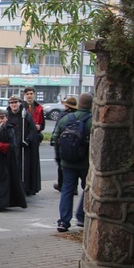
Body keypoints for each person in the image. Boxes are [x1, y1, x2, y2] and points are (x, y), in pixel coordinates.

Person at [52, 92, 93, 232]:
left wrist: (59, 159)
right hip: (85, 163)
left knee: (67, 191)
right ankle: (81, 217)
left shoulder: (66, 119)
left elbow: (55, 139)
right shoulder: (93, 121)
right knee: (87, 189)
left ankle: (63, 221)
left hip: (67, 162)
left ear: (79, 104)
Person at [6, 95, 37, 196]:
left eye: (15, 102)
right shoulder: (7, 115)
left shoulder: (25, 115)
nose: (14, 105)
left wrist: (27, 140)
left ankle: (23, 188)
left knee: (22, 168)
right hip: (11, 146)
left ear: (19, 103)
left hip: (22, 146)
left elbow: (33, 130)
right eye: (11, 103)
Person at [52, 96, 78, 192]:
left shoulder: (63, 116)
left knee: (62, 165)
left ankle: (61, 184)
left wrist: (54, 142)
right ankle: (74, 187)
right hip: (76, 144)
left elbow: (57, 130)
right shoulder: (78, 115)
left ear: (67, 106)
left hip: (63, 144)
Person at [22, 86, 45, 196]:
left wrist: (39, 126)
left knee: (33, 162)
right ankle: (25, 186)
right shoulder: (22, 106)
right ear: (25, 95)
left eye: (31, 93)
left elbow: (43, 124)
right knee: (25, 162)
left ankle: (33, 187)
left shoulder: (39, 107)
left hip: (34, 138)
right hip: (25, 136)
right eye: (27, 94)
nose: (29, 96)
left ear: (34, 94)